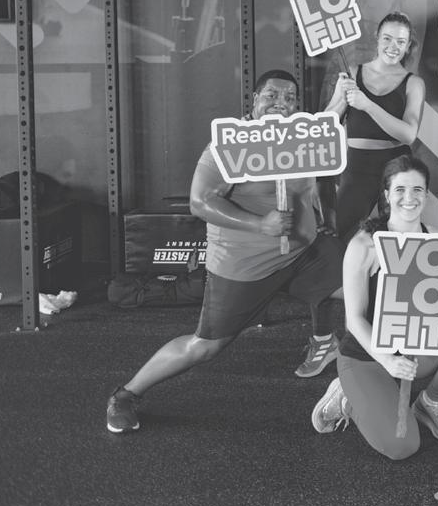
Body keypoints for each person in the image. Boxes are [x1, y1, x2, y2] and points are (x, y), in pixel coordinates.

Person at [105, 70, 343, 433]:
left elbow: (316, 182)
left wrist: (323, 219)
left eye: (289, 98)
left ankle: (356, 378)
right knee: (205, 346)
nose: (281, 104)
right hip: (244, 264)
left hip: (301, 254)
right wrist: (259, 224)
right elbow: (200, 202)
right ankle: (125, 395)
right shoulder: (230, 145)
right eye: (271, 96)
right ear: (254, 99)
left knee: (364, 287)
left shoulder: (299, 138)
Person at [309, 154, 438, 460]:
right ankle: (347, 396)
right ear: (387, 194)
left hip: (414, 349)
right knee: (401, 447)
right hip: (367, 357)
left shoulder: (436, 240)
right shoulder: (364, 245)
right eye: (400, 189)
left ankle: (430, 403)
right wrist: (388, 361)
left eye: (417, 190)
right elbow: (354, 320)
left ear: (426, 195)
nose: (409, 198)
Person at [297, 12, 426, 379]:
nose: (393, 46)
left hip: (395, 172)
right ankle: (323, 339)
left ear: (408, 45)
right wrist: (342, 98)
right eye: (388, 38)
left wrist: (367, 104)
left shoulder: (413, 82)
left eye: (401, 41)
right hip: (356, 172)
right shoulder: (352, 73)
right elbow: (325, 124)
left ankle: (400, 335)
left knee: (403, 255)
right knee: (332, 255)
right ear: (377, 38)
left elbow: (408, 134)